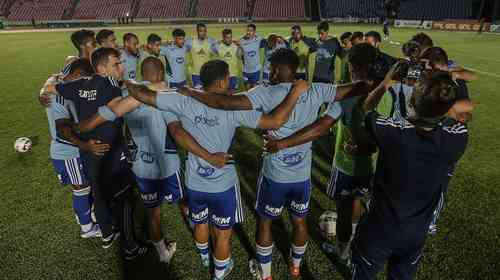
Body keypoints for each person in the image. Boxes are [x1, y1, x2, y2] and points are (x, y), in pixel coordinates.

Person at [178, 49, 371, 280]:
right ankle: (296, 267)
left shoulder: (265, 92)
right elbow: (355, 88)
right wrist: (379, 79)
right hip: (301, 175)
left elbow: (225, 102)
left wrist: (191, 92)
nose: (269, 72)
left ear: (278, 70)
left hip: (274, 175)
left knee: (266, 223)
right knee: (300, 222)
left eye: (271, 68)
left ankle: (265, 273)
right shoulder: (316, 89)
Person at [125, 59, 309, 280]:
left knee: (200, 221)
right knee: (222, 237)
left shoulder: (181, 99)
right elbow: (276, 122)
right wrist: (295, 93)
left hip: (195, 180)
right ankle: (219, 274)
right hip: (223, 183)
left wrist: (127, 80)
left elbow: (147, 101)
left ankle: (204, 258)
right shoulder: (233, 108)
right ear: (222, 82)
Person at [262, 43, 379, 266]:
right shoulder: (391, 91)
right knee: (362, 205)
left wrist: (282, 143)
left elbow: (322, 127)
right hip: (377, 166)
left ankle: (344, 250)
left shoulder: (345, 96)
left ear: (354, 67)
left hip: (346, 165)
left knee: (345, 207)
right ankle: (357, 247)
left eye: (351, 67)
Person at [350, 67, 468, 280]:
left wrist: (386, 81)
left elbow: (366, 109)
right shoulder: (457, 138)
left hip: (380, 228)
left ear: (412, 101)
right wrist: (442, 96)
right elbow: (455, 116)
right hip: (416, 232)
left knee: (363, 274)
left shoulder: (393, 131)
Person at [43, 48, 128, 249]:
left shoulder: (74, 87)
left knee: (93, 189)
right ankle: (90, 227)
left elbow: (52, 85)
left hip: (83, 151)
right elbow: (64, 129)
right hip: (80, 151)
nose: (121, 67)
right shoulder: (66, 96)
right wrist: (85, 140)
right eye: (116, 64)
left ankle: (101, 225)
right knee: (86, 190)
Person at [43, 58, 104, 239]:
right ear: (77, 75)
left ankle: (87, 215)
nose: (88, 83)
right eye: (86, 78)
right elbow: (63, 131)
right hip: (68, 152)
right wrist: (85, 145)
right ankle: (87, 228)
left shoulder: (64, 86)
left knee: (87, 186)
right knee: (81, 189)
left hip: (75, 150)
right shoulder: (60, 95)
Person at [186, 23, 218, 88]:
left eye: (205, 31)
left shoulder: (210, 42)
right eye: (201, 31)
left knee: (207, 94)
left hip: (207, 74)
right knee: (198, 94)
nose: (203, 33)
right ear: (197, 31)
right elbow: (180, 47)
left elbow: (218, 52)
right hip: (196, 74)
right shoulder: (190, 42)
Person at [239, 24, 267, 89]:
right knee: (247, 90)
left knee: (254, 90)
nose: (248, 32)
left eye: (250, 31)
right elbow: (239, 55)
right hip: (246, 70)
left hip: (256, 69)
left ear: (254, 32)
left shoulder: (259, 39)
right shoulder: (242, 41)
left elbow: (268, 41)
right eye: (247, 30)